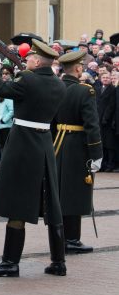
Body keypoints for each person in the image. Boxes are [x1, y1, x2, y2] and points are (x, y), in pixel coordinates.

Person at [0, 39, 67, 278]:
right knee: (52, 203)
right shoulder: (59, 85)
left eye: (30, 57)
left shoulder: (28, 80)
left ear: (38, 61)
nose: (27, 59)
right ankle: (59, 261)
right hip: (44, 143)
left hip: (23, 144)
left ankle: (10, 262)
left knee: (17, 203)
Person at [53, 50, 102, 254]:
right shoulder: (85, 91)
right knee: (75, 192)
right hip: (77, 147)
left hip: (57, 143)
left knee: (61, 191)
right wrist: (96, 153)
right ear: (79, 68)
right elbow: (92, 125)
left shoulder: (55, 88)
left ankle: (59, 238)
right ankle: (72, 239)